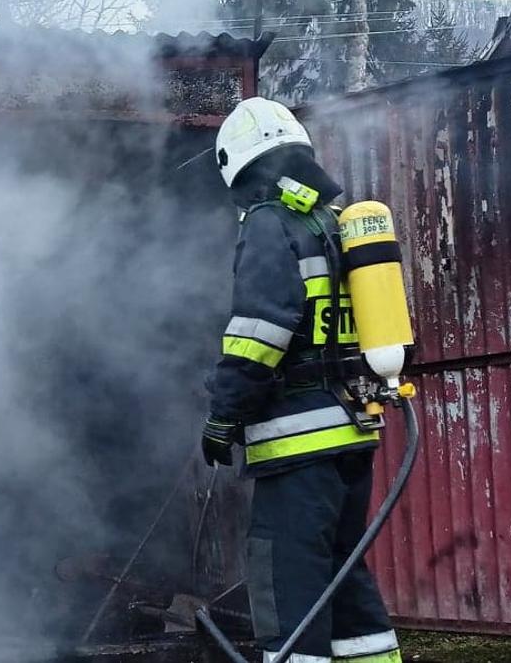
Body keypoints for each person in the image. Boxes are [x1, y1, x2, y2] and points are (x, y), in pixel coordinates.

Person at [200, 96, 399, 663]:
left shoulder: (270, 223)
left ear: (242, 168)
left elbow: (258, 332)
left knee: (287, 586)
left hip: (297, 442)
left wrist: (224, 414)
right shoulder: (331, 226)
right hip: (350, 435)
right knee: (343, 575)